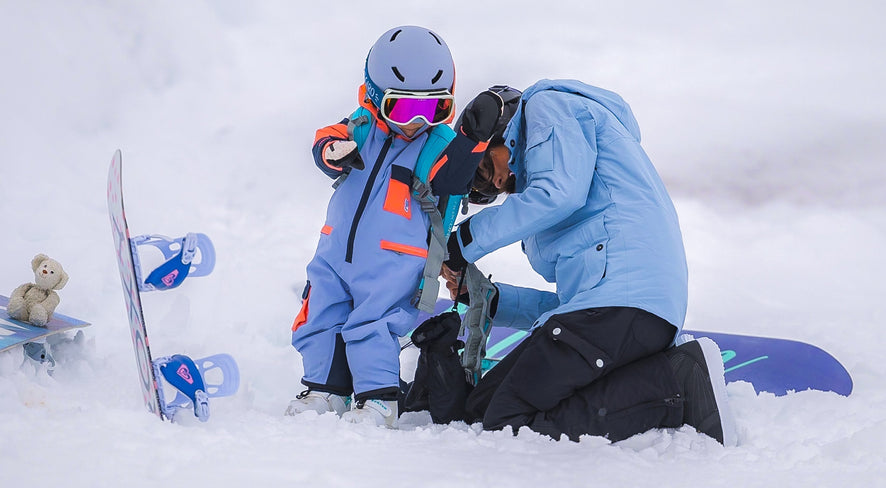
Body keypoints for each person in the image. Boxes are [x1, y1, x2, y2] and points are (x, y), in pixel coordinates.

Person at [409, 81, 737, 445]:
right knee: (482, 407)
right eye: (491, 186)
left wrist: (459, 242)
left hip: (624, 304)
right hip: (614, 309)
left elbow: (558, 195)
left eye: (488, 166)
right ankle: (653, 378)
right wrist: (493, 300)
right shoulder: (555, 198)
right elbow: (572, 302)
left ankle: (677, 384)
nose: (500, 180)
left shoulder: (548, 109)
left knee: (506, 419)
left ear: (499, 129)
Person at [284, 26, 490, 428]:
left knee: (372, 323)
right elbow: (328, 138)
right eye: (401, 109)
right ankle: (325, 391)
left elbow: (451, 180)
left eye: (432, 110)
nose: (415, 122)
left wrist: (472, 140)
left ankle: (378, 400)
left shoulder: (437, 144)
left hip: (395, 260)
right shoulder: (362, 126)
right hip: (335, 250)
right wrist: (330, 152)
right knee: (319, 315)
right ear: (374, 96)